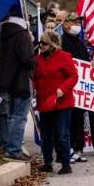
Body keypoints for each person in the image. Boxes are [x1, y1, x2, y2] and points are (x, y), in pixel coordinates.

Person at [34, 31, 78, 174]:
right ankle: (47, 162)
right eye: (40, 43)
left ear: (52, 45)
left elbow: (73, 76)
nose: (41, 46)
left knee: (61, 134)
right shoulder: (38, 59)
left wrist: (63, 89)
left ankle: (66, 163)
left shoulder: (64, 57)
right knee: (46, 135)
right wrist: (33, 88)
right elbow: (36, 77)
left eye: (44, 43)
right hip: (45, 102)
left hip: (61, 102)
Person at [61, 12, 94, 159]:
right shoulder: (62, 41)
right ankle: (77, 147)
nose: (77, 25)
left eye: (79, 23)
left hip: (85, 85)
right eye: (74, 22)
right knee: (77, 117)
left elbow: (84, 60)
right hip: (72, 85)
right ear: (66, 24)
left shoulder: (79, 43)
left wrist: (90, 65)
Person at [0, 13, 35, 161]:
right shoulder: (22, 35)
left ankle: (9, 146)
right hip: (22, 80)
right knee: (19, 117)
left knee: (11, 116)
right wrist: (32, 47)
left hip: (9, 79)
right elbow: (27, 59)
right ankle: (14, 150)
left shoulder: (5, 32)